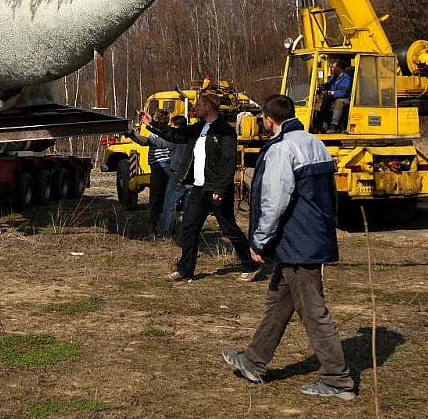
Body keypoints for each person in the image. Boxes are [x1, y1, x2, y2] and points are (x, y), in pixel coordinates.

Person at [221, 94, 355, 401]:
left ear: (268, 119)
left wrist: (259, 241)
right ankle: (254, 361)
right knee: (278, 301)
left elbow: (274, 200)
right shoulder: (315, 143)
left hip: (298, 242)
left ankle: (338, 379)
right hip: (309, 237)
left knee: (313, 311)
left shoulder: (282, 149)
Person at [141, 93, 260, 282]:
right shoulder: (199, 128)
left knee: (229, 229)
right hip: (198, 188)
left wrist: (221, 189)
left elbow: (229, 162)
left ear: (209, 107)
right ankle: (185, 269)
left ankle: (250, 264)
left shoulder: (225, 131)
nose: (196, 108)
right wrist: (153, 124)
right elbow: (176, 134)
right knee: (189, 228)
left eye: (199, 105)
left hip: (216, 190)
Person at [127, 114, 190, 238]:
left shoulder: (164, 134)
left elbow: (146, 141)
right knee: (174, 201)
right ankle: (175, 229)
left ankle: (160, 230)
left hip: (160, 168)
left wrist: (131, 133)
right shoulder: (171, 133)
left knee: (160, 201)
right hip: (170, 169)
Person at [320, 58, 351, 133]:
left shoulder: (346, 78)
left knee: (339, 102)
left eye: (333, 67)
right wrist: (320, 88)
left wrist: (333, 93)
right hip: (334, 97)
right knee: (324, 100)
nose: (331, 68)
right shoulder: (334, 77)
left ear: (339, 68)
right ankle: (323, 122)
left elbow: (344, 92)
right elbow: (327, 85)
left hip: (345, 98)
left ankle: (334, 125)